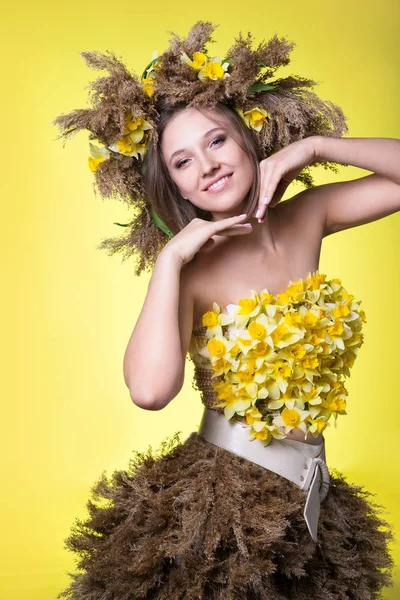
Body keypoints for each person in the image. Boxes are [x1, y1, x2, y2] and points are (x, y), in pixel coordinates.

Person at [53, 21, 397, 599]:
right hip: (227, 500)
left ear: (246, 139)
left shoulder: (305, 217)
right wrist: (168, 264)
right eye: (182, 162)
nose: (207, 165)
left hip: (311, 491)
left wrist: (313, 147)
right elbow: (150, 391)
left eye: (216, 141)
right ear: (176, 187)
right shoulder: (188, 273)